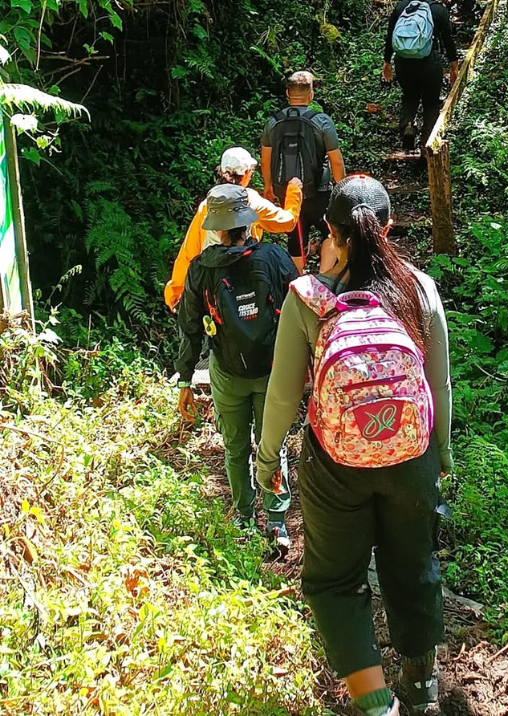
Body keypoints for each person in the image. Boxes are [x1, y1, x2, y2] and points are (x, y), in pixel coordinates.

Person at [255, 175, 453, 716]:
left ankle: (374, 704)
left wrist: (268, 460)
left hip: (334, 463)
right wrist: (442, 454)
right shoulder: (420, 289)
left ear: (330, 232)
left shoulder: (308, 298)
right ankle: (421, 686)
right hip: (412, 457)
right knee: (413, 564)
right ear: (388, 227)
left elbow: (281, 396)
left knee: (335, 580)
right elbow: (438, 386)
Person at [175, 183, 300, 552]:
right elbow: (300, 311)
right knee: (271, 446)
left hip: (227, 373)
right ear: (249, 223)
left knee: (234, 448)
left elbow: (190, 328)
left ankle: (244, 519)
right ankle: (276, 523)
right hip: (272, 372)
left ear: (214, 229)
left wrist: (185, 379)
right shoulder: (275, 258)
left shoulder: (200, 269)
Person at [164, 147, 302, 312]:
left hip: (213, 281)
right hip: (247, 277)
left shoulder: (208, 205)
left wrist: (176, 291)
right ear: (246, 174)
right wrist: (294, 191)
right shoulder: (252, 202)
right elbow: (287, 222)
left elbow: (189, 251)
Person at [261, 71, 346, 274]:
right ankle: (324, 277)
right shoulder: (322, 122)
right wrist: (341, 188)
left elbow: (265, 159)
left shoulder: (273, 123)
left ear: (287, 93)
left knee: (296, 236)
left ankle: (299, 281)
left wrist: (268, 187)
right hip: (319, 191)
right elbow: (336, 161)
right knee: (332, 232)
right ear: (311, 94)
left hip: (288, 192)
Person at [383, 0, 459, 150]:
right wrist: (454, 66)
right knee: (431, 103)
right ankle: (427, 143)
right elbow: (448, 40)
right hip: (429, 63)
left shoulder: (402, 7)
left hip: (403, 63)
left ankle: (408, 125)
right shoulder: (437, 9)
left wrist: (387, 62)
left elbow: (390, 34)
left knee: (409, 97)